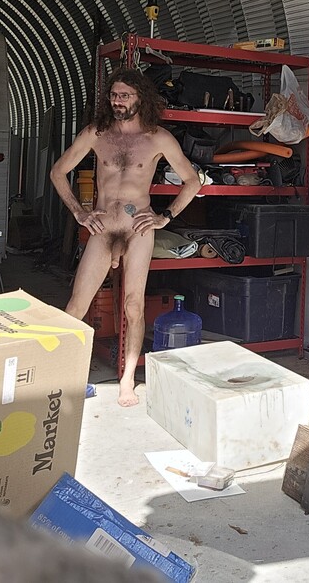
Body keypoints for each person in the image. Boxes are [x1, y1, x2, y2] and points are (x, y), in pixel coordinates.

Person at [51, 67, 201, 406]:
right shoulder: (96, 133)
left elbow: (192, 181)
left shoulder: (158, 138)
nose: (117, 102)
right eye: (114, 95)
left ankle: (127, 380)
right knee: (76, 305)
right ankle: (64, 375)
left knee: (134, 305)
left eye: (124, 96)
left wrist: (165, 216)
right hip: (103, 229)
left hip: (138, 231)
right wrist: (79, 213)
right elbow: (58, 171)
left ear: (140, 98)